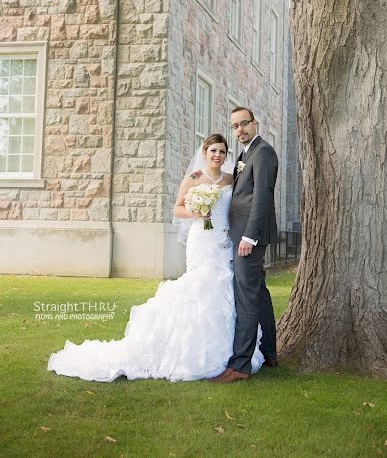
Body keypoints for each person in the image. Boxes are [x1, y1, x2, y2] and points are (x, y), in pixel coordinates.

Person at [48, 134, 264, 382]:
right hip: (202, 240)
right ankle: (190, 348)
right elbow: (177, 209)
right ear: (204, 152)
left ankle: (228, 352)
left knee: (223, 287)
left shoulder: (230, 179)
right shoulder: (193, 179)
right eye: (213, 151)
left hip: (224, 241)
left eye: (223, 152)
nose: (218, 156)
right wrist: (196, 211)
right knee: (202, 285)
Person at [210, 107, 278, 383]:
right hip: (242, 234)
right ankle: (269, 351)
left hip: (249, 237)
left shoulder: (263, 152)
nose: (240, 130)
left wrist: (249, 237)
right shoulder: (246, 153)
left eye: (244, 124)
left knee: (246, 297)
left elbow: (262, 196)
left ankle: (240, 365)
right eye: (235, 126)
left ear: (255, 122)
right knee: (258, 292)